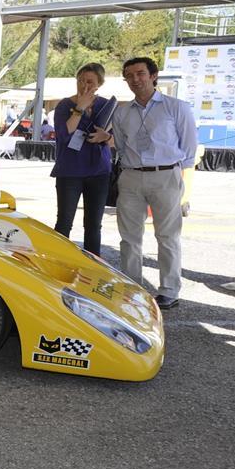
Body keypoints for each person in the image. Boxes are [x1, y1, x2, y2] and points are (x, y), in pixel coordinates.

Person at [109, 57, 197, 309]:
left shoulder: (177, 107)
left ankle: (169, 290)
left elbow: (189, 147)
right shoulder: (122, 112)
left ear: (153, 75)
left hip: (166, 175)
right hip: (132, 176)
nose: (135, 80)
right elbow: (122, 147)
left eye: (140, 74)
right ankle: (132, 287)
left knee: (167, 235)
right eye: (129, 76)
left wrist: (181, 179)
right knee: (129, 237)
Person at [50, 63, 114, 255]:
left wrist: (107, 137)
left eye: (90, 82)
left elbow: (120, 140)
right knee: (64, 222)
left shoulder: (107, 105)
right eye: (80, 81)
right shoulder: (64, 105)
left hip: (99, 171)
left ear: (99, 84)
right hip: (70, 171)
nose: (84, 86)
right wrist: (80, 108)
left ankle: (93, 265)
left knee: (94, 224)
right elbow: (64, 134)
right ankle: (59, 260)